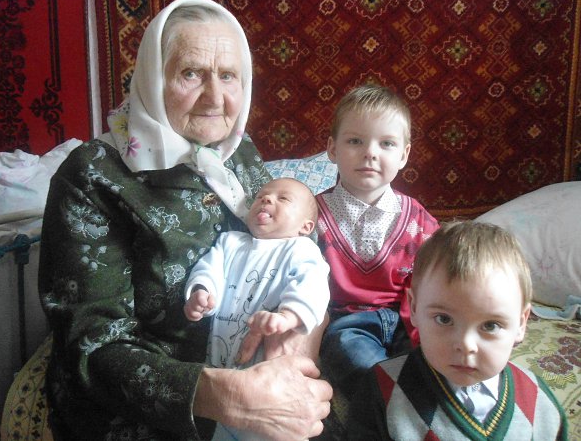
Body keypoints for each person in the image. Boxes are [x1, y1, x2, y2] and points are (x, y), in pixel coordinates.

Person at [38, 0, 332, 441]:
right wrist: (226, 396)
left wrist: (301, 334)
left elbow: (302, 246)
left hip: (253, 375)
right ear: (152, 77)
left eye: (228, 76)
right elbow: (91, 343)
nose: (215, 98)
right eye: (191, 73)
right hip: (146, 414)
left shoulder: (238, 153)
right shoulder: (93, 175)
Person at [348, 221, 568, 440]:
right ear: (414, 308)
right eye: (444, 319)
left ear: (521, 324)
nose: (466, 345)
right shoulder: (382, 388)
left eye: (490, 325)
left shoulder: (539, 403)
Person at [184, 177, 330, 440]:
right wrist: (202, 292)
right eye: (261, 196)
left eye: (283, 198)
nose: (266, 199)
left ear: (305, 226)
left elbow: (313, 284)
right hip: (221, 369)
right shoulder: (230, 242)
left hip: (269, 377)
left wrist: (289, 317)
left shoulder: (301, 248)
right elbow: (209, 268)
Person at [316, 84, 439, 396]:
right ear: (332, 149)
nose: (370, 152)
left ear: (403, 155)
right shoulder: (312, 214)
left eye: (386, 143)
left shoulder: (418, 218)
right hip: (347, 324)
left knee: (434, 364)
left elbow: (437, 276)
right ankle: (389, 401)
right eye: (355, 141)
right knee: (360, 365)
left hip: (406, 320)